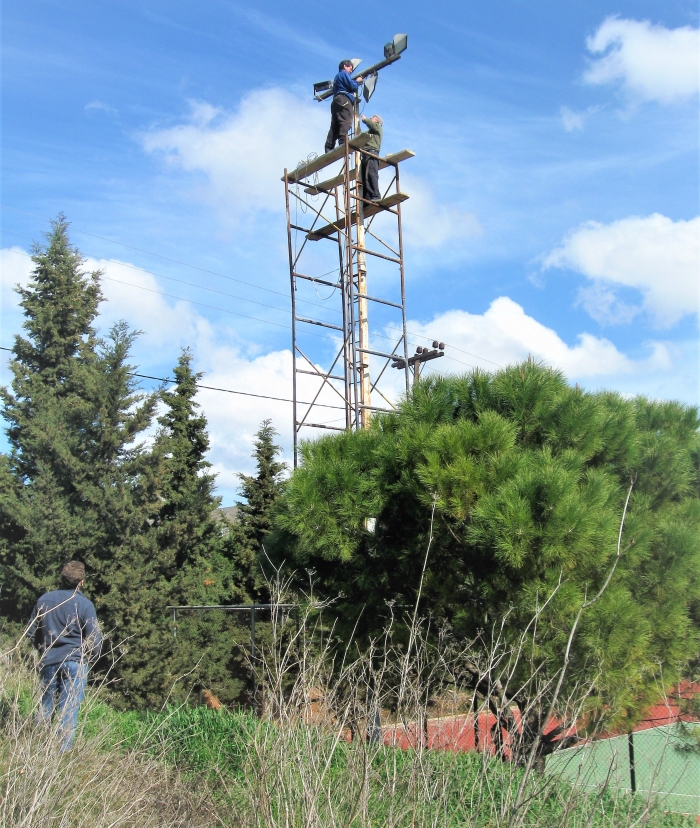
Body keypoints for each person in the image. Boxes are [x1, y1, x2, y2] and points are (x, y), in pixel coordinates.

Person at [27, 560, 102, 751]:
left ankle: (37, 748)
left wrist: (42, 649)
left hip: (49, 660)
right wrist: (89, 658)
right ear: (82, 581)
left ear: (62, 578)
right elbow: (95, 639)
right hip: (75, 661)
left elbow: (30, 632)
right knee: (68, 709)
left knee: (46, 706)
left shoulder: (44, 600)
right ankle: (61, 754)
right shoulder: (85, 605)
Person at [324, 60, 363, 154]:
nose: (351, 71)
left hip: (336, 101)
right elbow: (352, 86)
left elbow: (348, 84)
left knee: (336, 125)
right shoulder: (343, 74)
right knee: (346, 120)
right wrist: (357, 81)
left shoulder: (338, 77)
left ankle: (329, 146)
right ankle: (343, 142)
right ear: (345, 66)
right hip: (344, 99)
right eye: (350, 68)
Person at [360, 114, 383, 201]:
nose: (370, 118)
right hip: (365, 154)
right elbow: (360, 135)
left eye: (373, 117)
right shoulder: (369, 132)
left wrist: (365, 120)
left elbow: (372, 124)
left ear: (377, 121)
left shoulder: (377, 128)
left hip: (372, 153)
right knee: (364, 177)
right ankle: (367, 199)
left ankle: (376, 195)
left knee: (371, 174)